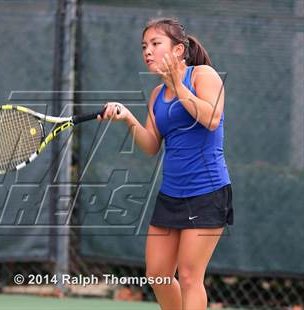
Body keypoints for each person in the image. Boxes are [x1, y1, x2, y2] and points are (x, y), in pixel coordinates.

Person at [98, 17, 233, 310]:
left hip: (208, 193)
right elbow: (151, 145)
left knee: (188, 276)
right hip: (171, 194)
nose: (147, 51)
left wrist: (179, 86)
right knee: (158, 275)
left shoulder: (203, 76)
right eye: (144, 46)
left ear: (178, 50)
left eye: (156, 44)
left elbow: (211, 119)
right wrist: (127, 118)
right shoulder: (157, 95)